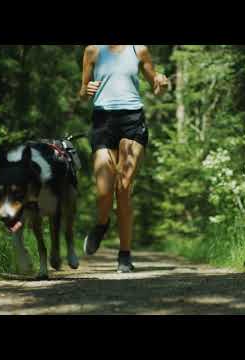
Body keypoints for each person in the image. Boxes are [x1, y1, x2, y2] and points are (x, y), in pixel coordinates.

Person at [79, 45, 169, 273]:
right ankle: (101, 224)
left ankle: (125, 254)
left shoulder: (139, 50)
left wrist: (162, 84)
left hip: (132, 120)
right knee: (104, 191)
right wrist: (85, 90)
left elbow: (156, 86)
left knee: (124, 186)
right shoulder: (93, 51)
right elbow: (82, 94)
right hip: (103, 121)